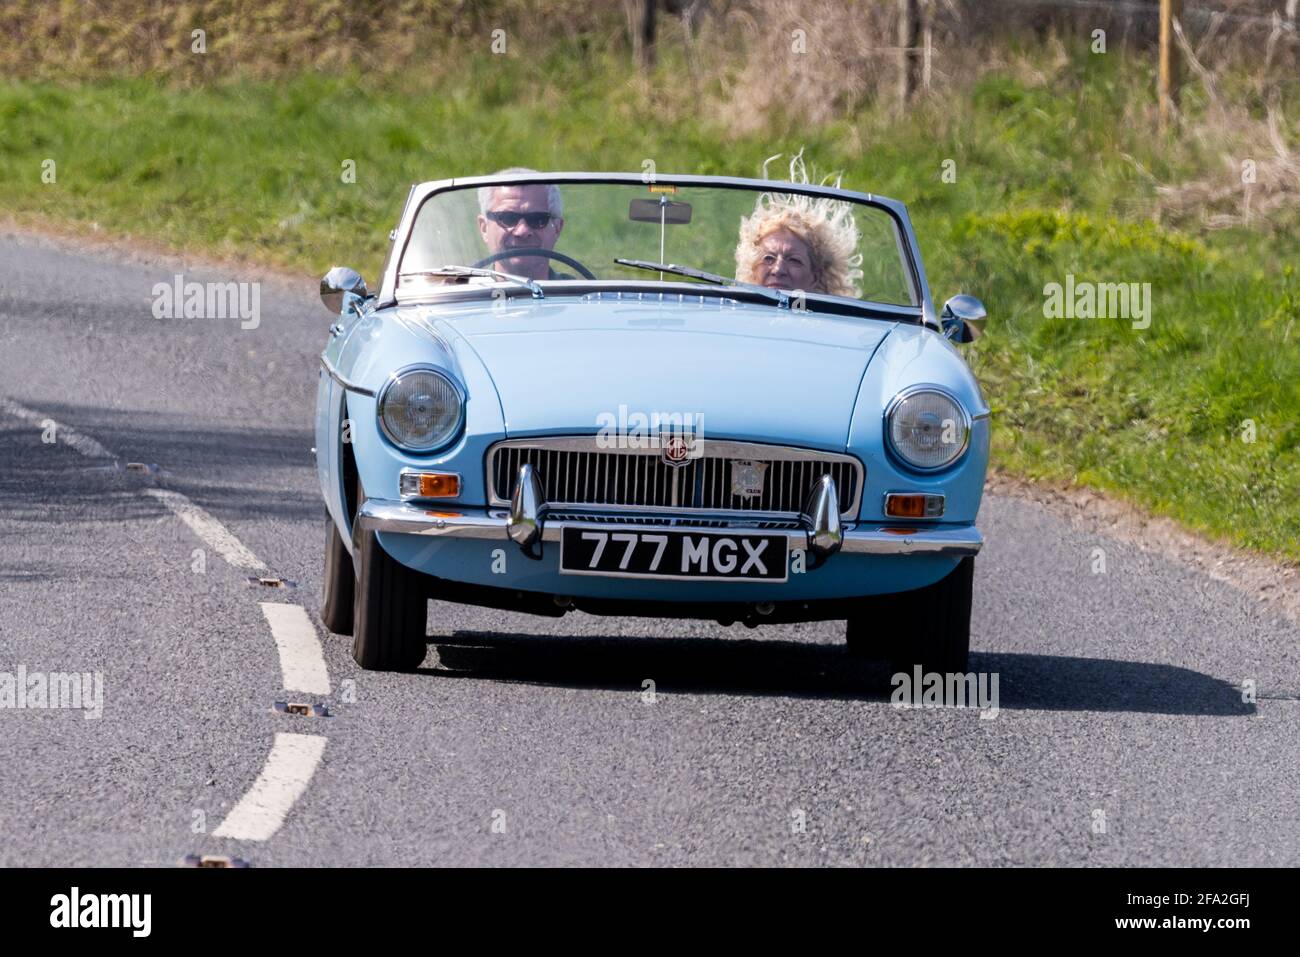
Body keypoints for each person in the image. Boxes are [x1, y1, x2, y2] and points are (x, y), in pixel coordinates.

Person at [734, 151, 863, 298]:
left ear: (815, 276)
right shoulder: (732, 314)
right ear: (752, 270)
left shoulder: (827, 320)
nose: (778, 269)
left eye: (794, 260)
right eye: (768, 258)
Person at [476, 169, 570, 281]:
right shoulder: (459, 295)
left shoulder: (583, 295)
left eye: (537, 219)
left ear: (557, 229)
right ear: (484, 228)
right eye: (507, 218)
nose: (522, 231)